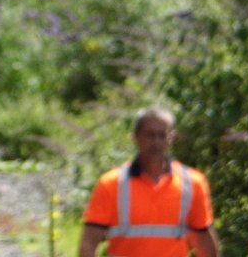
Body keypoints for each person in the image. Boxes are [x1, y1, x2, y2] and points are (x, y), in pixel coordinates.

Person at [78, 106, 219, 257]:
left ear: (172, 137)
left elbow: (205, 245)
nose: (156, 142)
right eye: (150, 135)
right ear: (136, 137)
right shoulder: (111, 184)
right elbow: (88, 244)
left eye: (162, 135)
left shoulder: (193, 183)